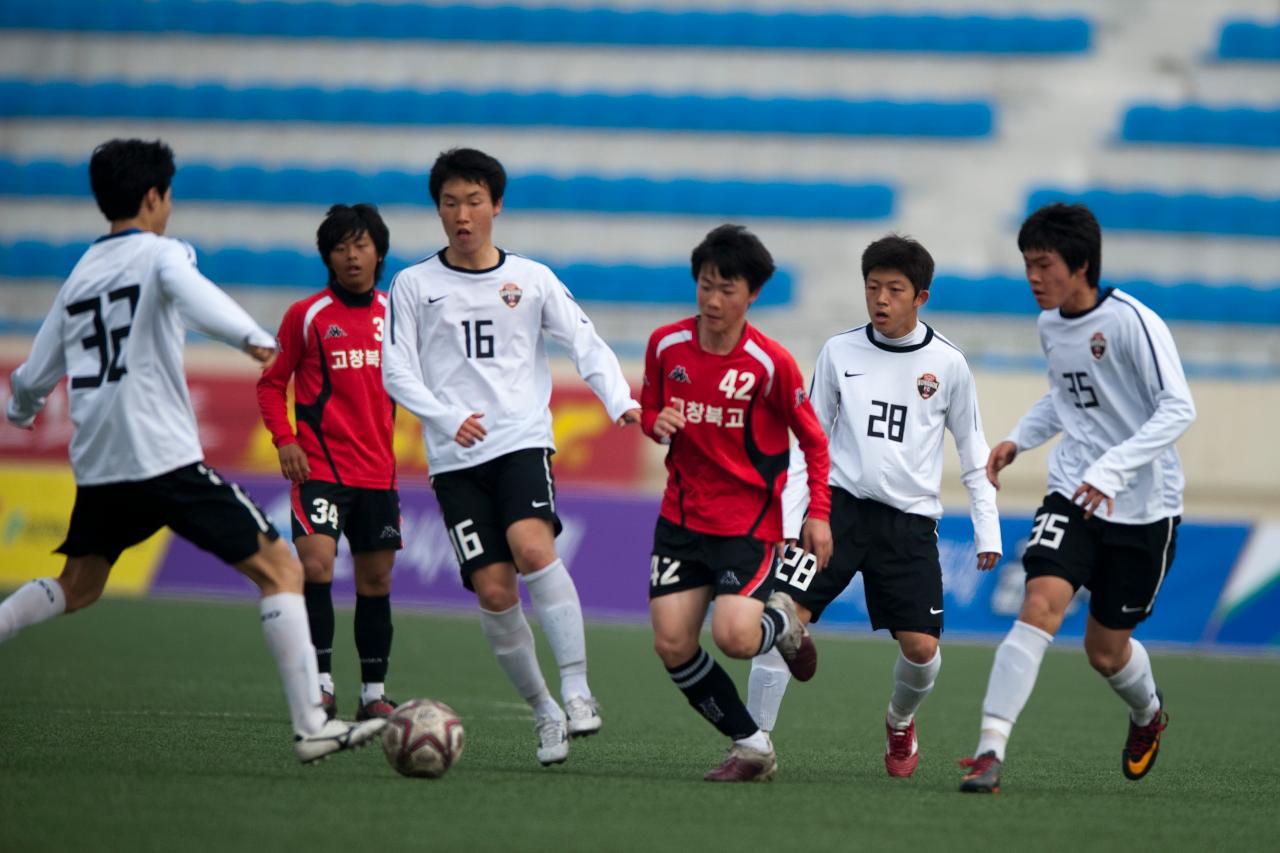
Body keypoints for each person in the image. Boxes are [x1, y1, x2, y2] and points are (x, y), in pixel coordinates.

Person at [0, 138, 385, 761]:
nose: (169, 206)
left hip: (99, 460)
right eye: (168, 195)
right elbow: (190, 288)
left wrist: (20, 410)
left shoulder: (80, 275)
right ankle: (312, 726)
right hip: (162, 457)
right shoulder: (161, 254)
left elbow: (36, 373)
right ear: (154, 197)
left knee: (79, 584)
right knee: (282, 571)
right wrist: (252, 337)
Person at [381, 148, 640, 766]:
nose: (462, 215)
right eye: (450, 203)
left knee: (532, 548)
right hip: (453, 457)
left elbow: (585, 341)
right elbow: (397, 370)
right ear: (438, 210)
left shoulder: (532, 278)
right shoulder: (415, 286)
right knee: (495, 592)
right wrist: (446, 418)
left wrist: (619, 401)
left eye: (474, 201)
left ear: (495, 205)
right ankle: (545, 711)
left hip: (521, 441)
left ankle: (577, 689)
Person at [959, 202, 1196, 794]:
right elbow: (1067, 399)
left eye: (1044, 265)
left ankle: (1147, 715)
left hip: (1144, 506)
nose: (1033, 277)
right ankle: (990, 749)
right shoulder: (1049, 325)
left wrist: (1114, 470)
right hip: (1073, 494)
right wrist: (1019, 437)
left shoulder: (1133, 323)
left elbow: (1178, 409)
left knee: (1105, 652)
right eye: (1028, 265)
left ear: (1081, 264)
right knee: (1039, 604)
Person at [748, 234, 1002, 778]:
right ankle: (753, 743)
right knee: (780, 616)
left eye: (894, 289)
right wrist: (796, 518)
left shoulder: (949, 365)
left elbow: (973, 449)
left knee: (921, 650)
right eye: (872, 287)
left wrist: (989, 530)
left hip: (908, 525)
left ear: (921, 297)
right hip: (836, 509)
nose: (880, 299)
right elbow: (807, 441)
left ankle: (899, 721)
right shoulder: (840, 351)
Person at [642, 223, 833, 783]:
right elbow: (652, 406)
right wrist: (656, 422)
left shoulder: (770, 363)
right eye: (706, 285)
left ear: (752, 293)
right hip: (678, 518)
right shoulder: (665, 345)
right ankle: (752, 745)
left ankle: (783, 624)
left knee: (734, 638)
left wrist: (817, 511)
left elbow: (814, 440)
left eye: (728, 288)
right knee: (671, 643)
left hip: (746, 524)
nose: (714, 299)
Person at [257, 203, 401, 723]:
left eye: (360, 245)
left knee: (376, 583)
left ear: (378, 252)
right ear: (328, 257)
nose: (351, 256)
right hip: (318, 469)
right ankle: (320, 685)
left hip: (378, 473)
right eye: (340, 248)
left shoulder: (396, 315)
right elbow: (272, 384)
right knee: (316, 565)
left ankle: (374, 694)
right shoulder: (306, 315)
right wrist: (284, 439)